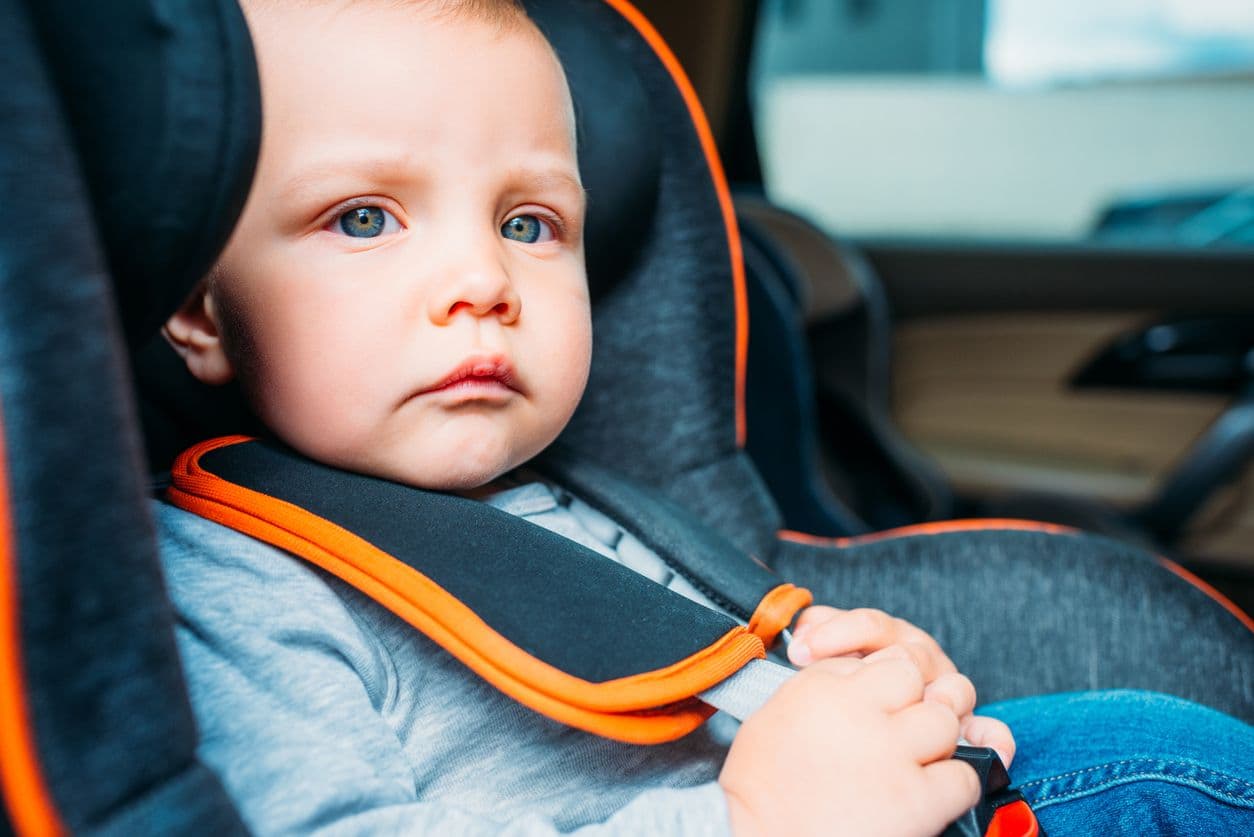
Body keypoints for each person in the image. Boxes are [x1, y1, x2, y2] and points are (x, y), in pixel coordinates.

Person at [155, 0, 1254, 834]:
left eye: (529, 225)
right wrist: (750, 820)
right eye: (363, 218)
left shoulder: (589, 502)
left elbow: (734, 716)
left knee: (1160, 752)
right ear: (201, 309)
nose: (483, 279)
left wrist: (867, 692)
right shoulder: (223, 588)